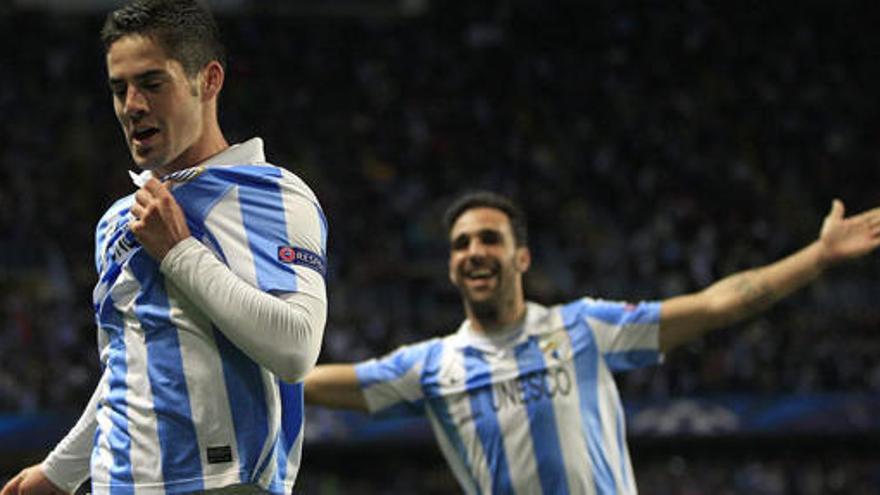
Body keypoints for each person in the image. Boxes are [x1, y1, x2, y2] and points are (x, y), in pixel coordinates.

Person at [304, 190, 880, 494]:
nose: (473, 251)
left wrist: (819, 256)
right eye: (460, 244)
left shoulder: (583, 328)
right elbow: (318, 380)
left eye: (489, 239)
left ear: (521, 257)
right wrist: (232, 358)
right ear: (452, 269)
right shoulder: (433, 365)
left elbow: (716, 305)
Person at [1, 1, 327, 494]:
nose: (132, 105)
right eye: (119, 89)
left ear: (209, 81)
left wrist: (180, 252)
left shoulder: (274, 196)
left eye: (152, 83)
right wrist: (60, 473)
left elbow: (297, 349)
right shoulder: (119, 219)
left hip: (224, 483)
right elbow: (129, 368)